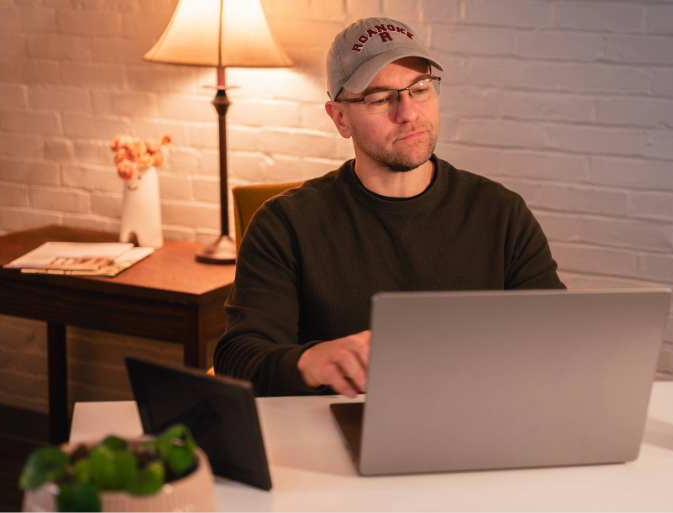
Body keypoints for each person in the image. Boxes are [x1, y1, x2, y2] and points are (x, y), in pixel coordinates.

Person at [214, 17, 565, 398]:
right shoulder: (285, 224)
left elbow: (557, 341)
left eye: (420, 88)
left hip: (476, 423)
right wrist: (312, 361)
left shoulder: (502, 214)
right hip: (331, 435)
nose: (408, 112)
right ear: (340, 118)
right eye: (381, 98)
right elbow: (238, 358)